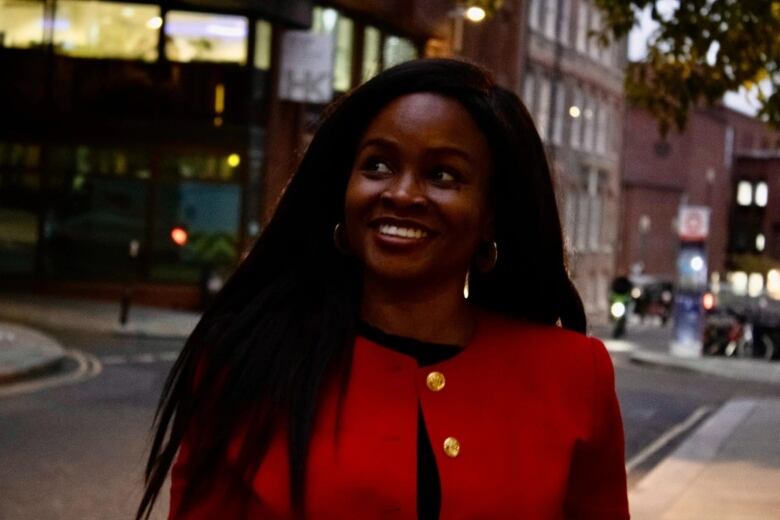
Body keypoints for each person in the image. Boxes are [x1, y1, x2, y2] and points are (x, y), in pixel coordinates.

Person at [137, 58, 629, 519]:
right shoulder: (244, 359)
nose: (400, 193)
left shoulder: (574, 376)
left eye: (442, 175)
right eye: (377, 166)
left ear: (490, 216)